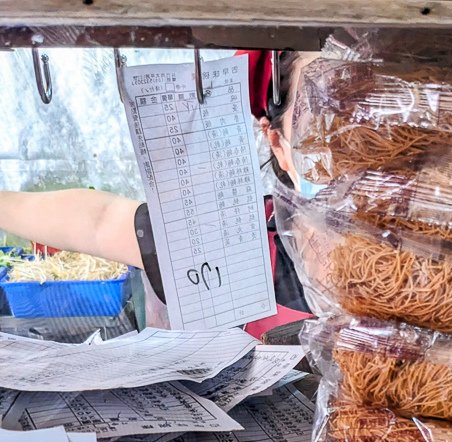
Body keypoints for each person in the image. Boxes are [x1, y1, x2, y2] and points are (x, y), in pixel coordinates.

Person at [0, 49, 315, 337]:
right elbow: (98, 222)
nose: (353, 155)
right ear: (278, 145)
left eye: (366, 124)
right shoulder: (237, 237)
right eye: (320, 127)